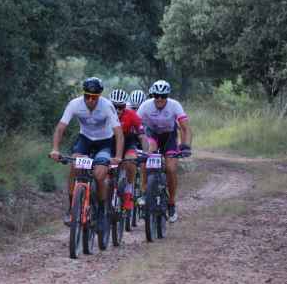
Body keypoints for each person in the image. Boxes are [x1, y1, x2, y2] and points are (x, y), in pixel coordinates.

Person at [50, 77, 124, 225]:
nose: (90, 100)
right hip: (85, 140)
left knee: (99, 174)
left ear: (99, 96)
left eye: (94, 97)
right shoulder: (74, 104)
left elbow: (119, 133)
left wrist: (117, 156)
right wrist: (55, 149)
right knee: (75, 166)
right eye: (87, 96)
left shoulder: (107, 106)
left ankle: (102, 210)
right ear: (83, 94)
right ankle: (72, 208)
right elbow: (60, 129)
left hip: (104, 142)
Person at [136, 80, 192, 223]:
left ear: (167, 95)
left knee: (171, 168)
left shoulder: (175, 105)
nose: (160, 99)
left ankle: (171, 203)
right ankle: (144, 192)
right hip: (152, 135)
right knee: (146, 156)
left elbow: (186, 128)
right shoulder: (145, 106)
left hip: (169, 137)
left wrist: (185, 145)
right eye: (156, 95)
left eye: (163, 96)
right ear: (152, 95)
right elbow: (136, 125)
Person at [109, 89, 148, 211]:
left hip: (128, 141)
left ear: (125, 106)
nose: (118, 110)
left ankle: (128, 193)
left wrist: (146, 153)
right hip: (110, 141)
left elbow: (142, 136)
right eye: (115, 107)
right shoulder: (104, 113)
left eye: (121, 107)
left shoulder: (131, 114)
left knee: (130, 161)